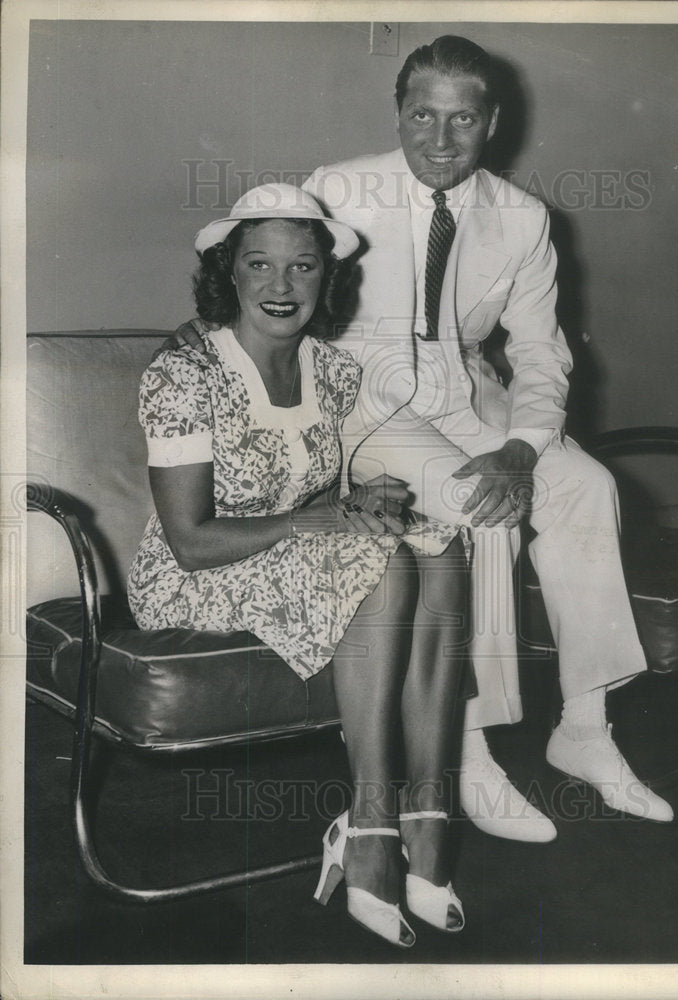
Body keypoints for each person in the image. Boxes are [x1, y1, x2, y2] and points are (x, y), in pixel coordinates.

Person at [169, 36, 673, 840]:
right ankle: (466, 744)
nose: (439, 141)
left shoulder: (522, 218)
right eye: (421, 117)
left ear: (491, 123)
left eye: (461, 119)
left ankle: (584, 726)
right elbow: (272, 288)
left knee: (586, 486)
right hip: (366, 401)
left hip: (468, 390)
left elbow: (539, 350)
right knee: (482, 507)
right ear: (398, 113)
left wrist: (523, 444)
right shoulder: (338, 188)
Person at [128, 183, 470, 948]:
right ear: (229, 273)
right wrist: (315, 520)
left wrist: (356, 499)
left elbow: (313, 496)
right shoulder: (184, 374)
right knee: (385, 564)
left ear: (326, 277)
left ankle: (427, 810)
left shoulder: (334, 372)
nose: (281, 286)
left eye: (303, 266)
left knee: (440, 544)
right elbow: (189, 541)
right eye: (260, 263)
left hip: (280, 555)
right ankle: (371, 826)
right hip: (193, 576)